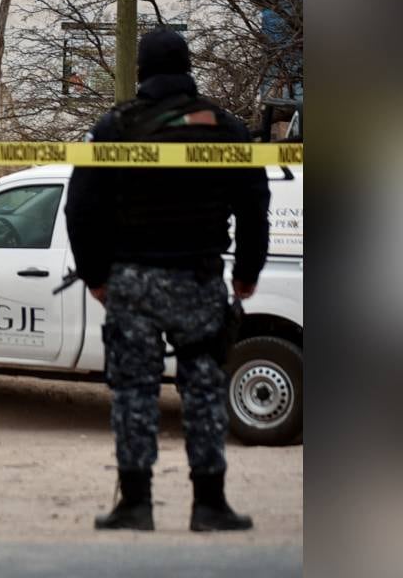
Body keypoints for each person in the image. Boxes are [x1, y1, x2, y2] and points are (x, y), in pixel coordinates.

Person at [64, 28, 271, 532]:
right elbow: (254, 203)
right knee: (202, 389)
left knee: (134, 391)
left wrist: (94, 274)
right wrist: (247, 271)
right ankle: (210, 505)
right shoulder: (225, 128)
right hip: (199, 279)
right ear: (187, 67)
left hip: (133, 281)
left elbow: (80, 206)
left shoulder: (116, 127)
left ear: (141, 71)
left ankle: (135, 505)